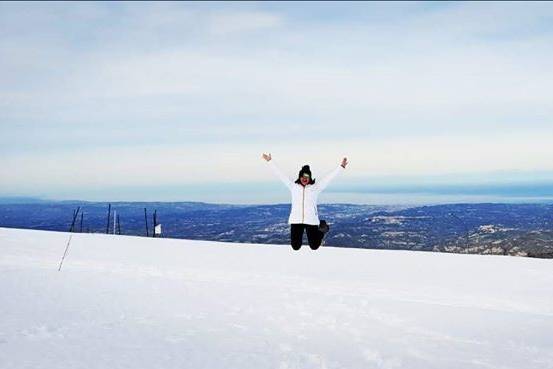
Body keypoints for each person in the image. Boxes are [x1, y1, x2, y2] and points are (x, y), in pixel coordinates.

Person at [262, 153, 348, 250]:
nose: (304, 179)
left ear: (310, 178)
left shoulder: (315, 188)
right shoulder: (293, 187)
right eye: (302, 177)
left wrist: (341, 167)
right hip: (296, 219)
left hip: (311, 220)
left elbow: (328, 178)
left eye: (307, 177)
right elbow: (281, 175)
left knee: (314, 246)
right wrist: (270, 161)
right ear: (299, 177)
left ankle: (322, 230)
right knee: (295, 246)